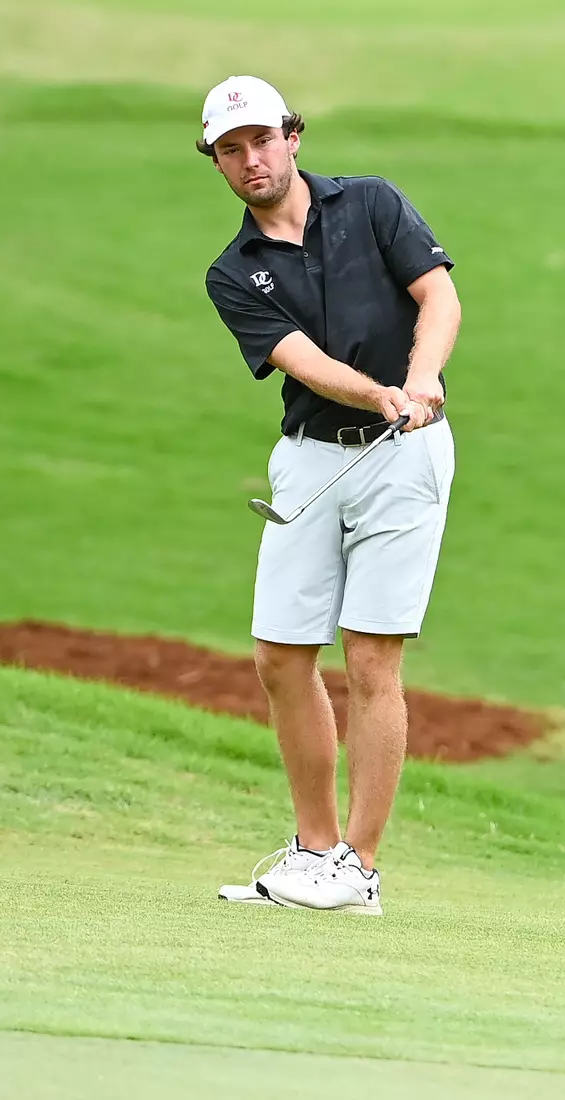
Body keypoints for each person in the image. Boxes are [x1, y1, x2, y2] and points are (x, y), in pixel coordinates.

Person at [199, 75, 460, 916]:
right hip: (313, 457)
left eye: (262, 140)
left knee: (371, 656)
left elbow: (438, 295)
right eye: (231, 150)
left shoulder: (372, 204)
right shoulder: (233, 272)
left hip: (407, 457)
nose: (251, 159)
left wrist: (418, 382)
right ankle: (314, 855)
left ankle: (361, 867)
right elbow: (300, 361)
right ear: (217, 163)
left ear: (293, 137)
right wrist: (377, 393)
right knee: (279, 654)